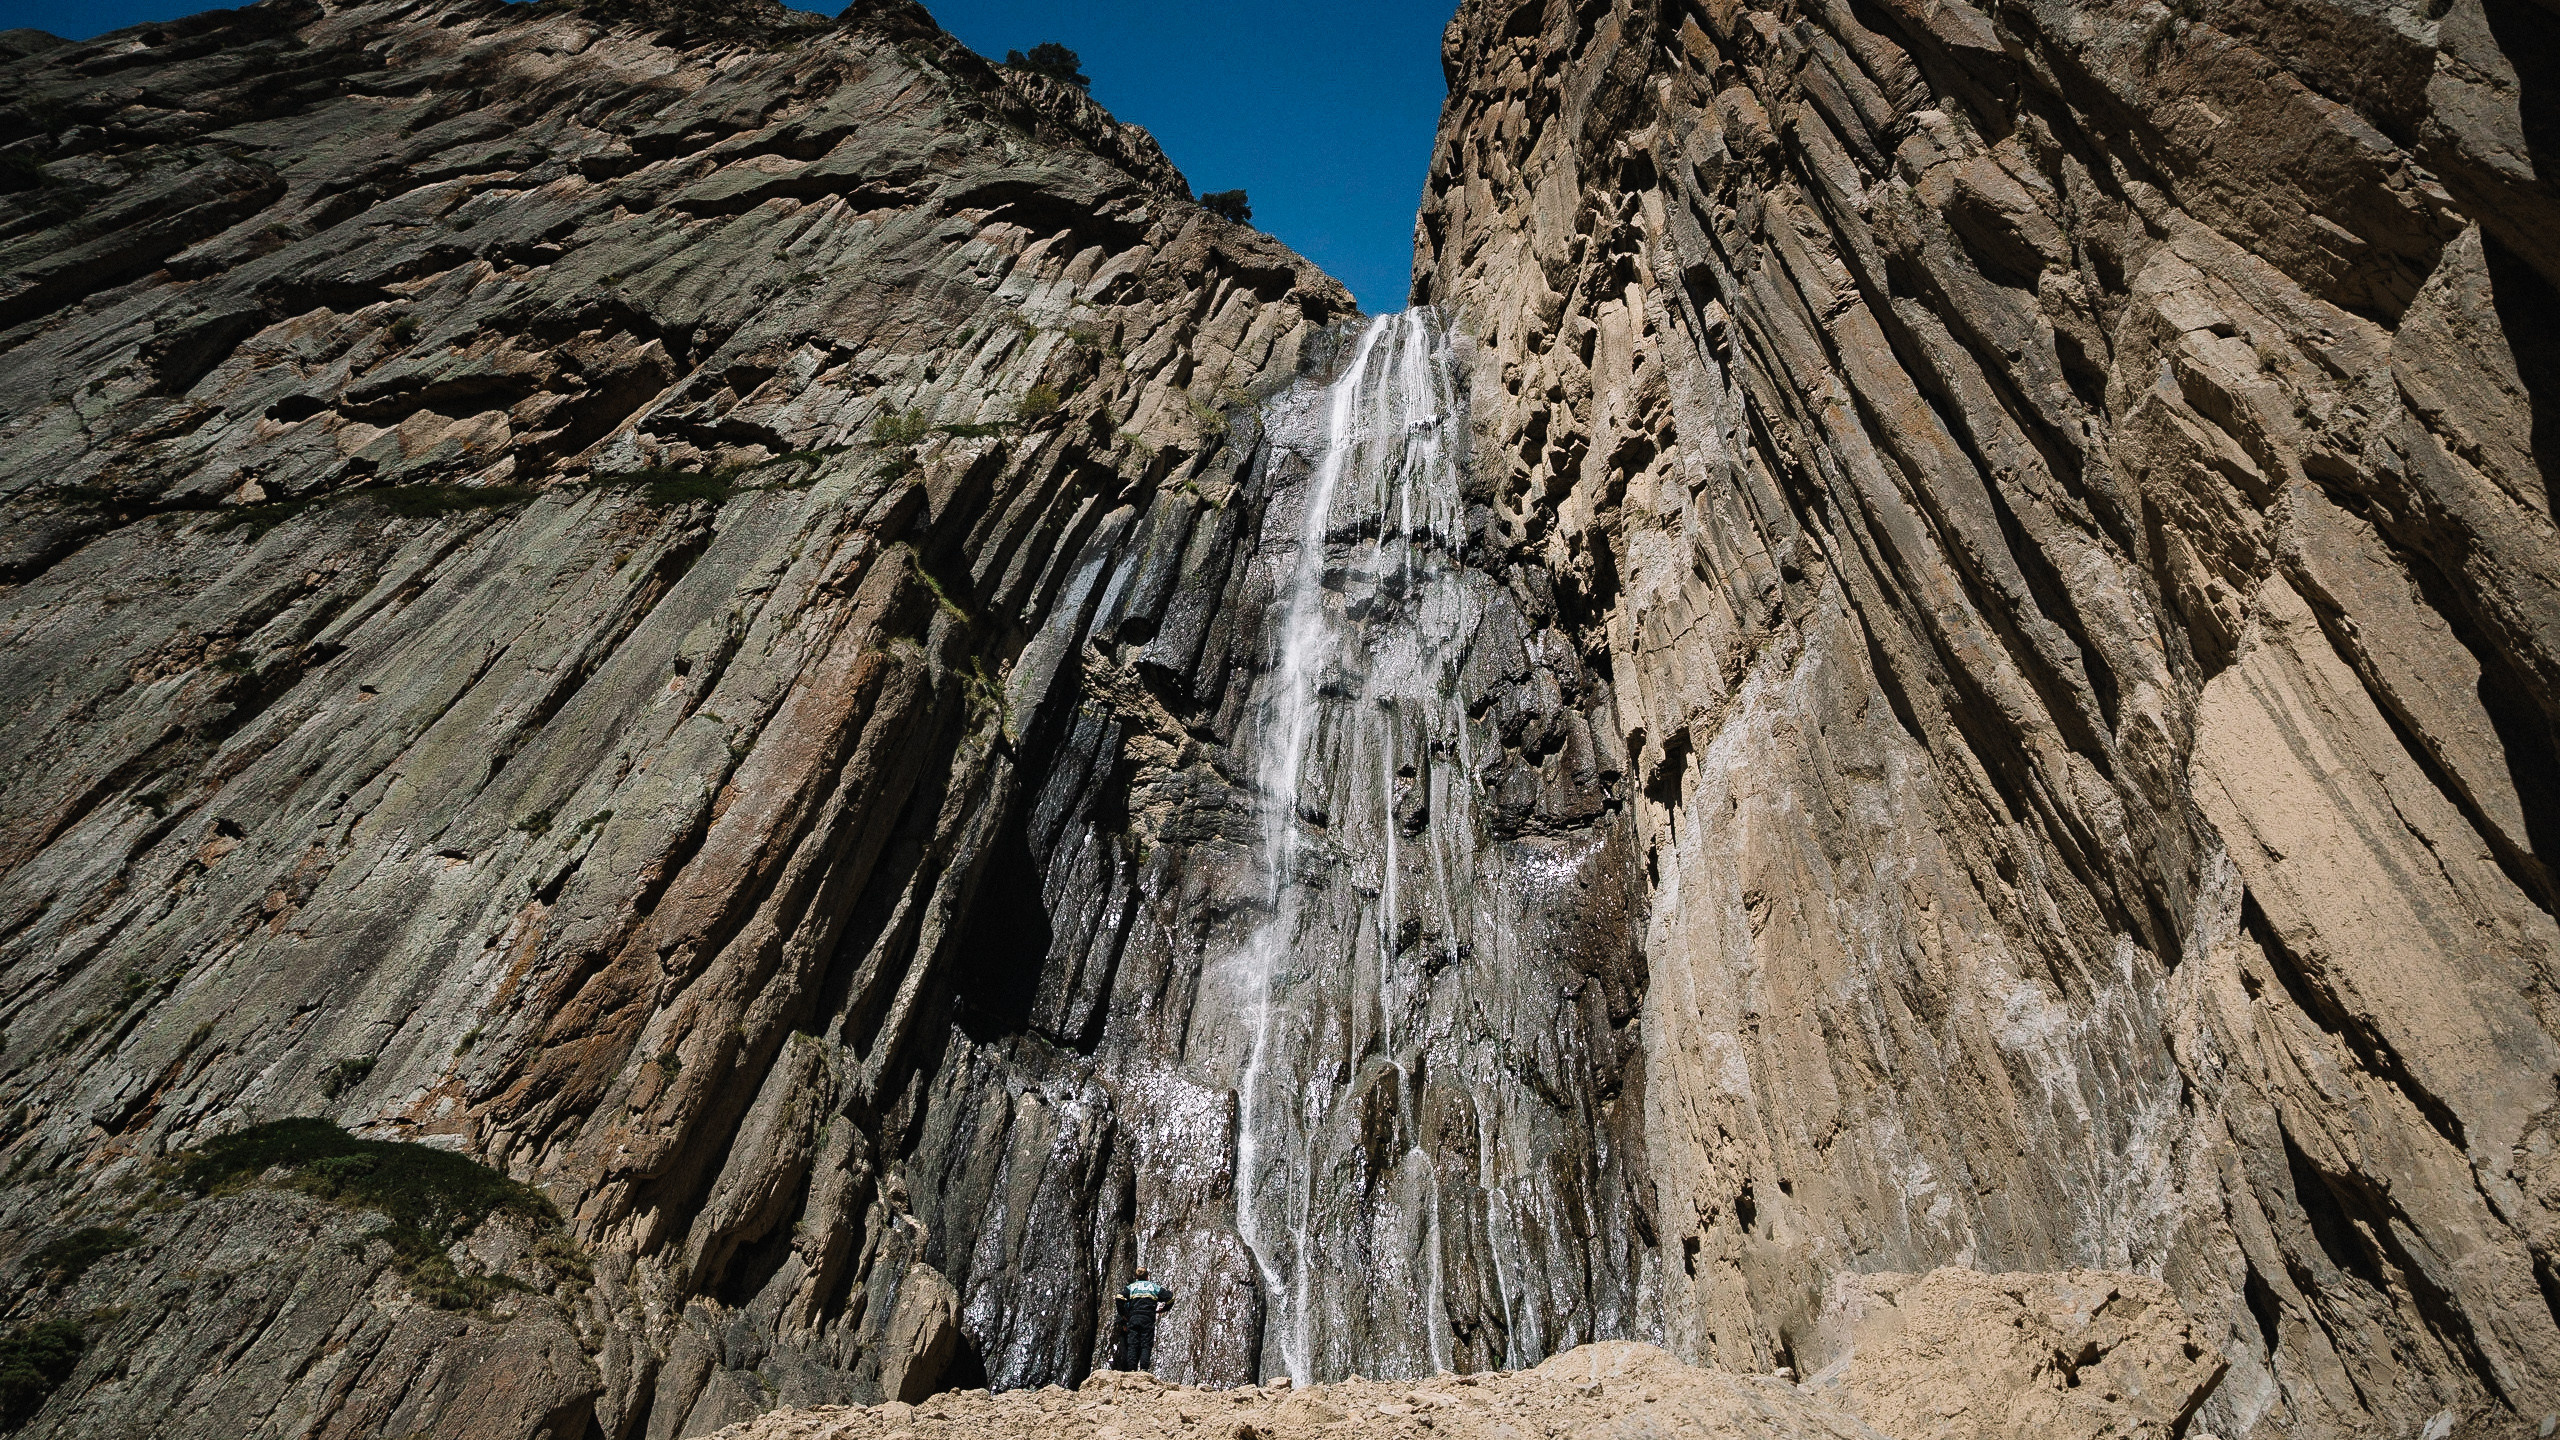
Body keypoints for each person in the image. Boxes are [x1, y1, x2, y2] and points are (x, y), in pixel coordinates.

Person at [1111, 1265, 1174, 1372]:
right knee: (1146, 1344)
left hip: (1133, 1318)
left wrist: (1123, 1314)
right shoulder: (1154, 1287)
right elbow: (1171, 1298)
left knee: (1133, 1344)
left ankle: (1131, 1369)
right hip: (1148, 1318)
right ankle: (1144, 1369)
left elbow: (1119, 1298)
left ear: (1136, 1277)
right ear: (1147, 1277)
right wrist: (1164, 1309)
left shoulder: (1131, 1287)